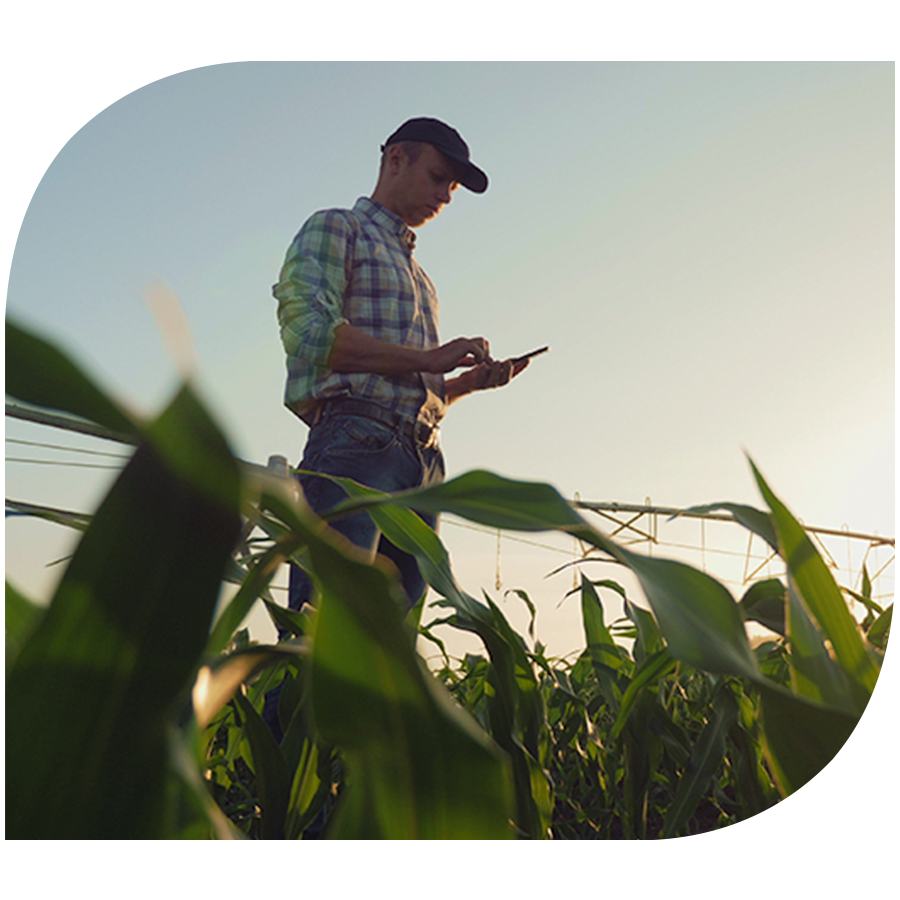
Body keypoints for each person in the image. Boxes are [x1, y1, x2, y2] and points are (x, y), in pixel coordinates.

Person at [265, 117, 528, 742]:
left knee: (385, 659)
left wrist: (463, 385)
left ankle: (345, 821)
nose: (445, 196)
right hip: (354, 448)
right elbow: (310, 337)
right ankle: (276, 816)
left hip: (420, 461)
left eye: (454, 188)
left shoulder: (422, 279)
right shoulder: (338, 228)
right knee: (321, 636)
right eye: (440, 177)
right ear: (396, 159)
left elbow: (412, 391)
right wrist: (430, 360)